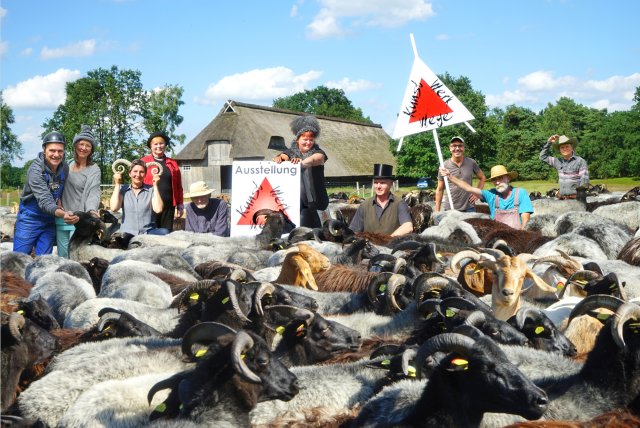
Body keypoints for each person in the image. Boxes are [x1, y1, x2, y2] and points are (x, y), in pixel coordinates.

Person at [14, 131, 77, 255]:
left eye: (60, 151)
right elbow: (45, 201)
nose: (56, 154)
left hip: (49, 220)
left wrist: (59, 200)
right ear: (44, 150)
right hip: (30, 219)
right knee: (18, 260)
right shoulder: (35, 171)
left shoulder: (64, 167)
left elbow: (60, 187)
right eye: (52, 150)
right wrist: (63, 214)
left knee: (44, 261)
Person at [272, 115, 329, 228]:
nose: (308, 142)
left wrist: (300, 163)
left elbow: (314, 159)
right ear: (297, 139)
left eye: (311, 139)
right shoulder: (290, 152)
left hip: (315, 203)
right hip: (293, 202)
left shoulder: (319, 152)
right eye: (305, 139)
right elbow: (285, 155)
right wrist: (280, 158)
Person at [56, 125, 102, 258]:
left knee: (75, 256)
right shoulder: (66, 165)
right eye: (81, 144)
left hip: (79, 220)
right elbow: (57, 187)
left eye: (88, 145)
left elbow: (93, 192)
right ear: (75, 146)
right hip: (62, 216)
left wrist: (92, 210)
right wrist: (57, 202)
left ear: (91, 149)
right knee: (62, 256)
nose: (84, 148)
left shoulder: (94, 169)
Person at [440, 164, 533, 229]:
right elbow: (469, 188)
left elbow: (526, 220)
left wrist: (521, 237)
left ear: (508, 178)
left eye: (500, 178)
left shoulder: (520, 193)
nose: (497, 182)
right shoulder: (491, 195)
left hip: (518, 235)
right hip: (497, 236)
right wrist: (450, 176)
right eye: (494, 180)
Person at [349, 164, 414, 236]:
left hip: (392, 246)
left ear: (391, 184)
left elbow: (408, 227)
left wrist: (388, 240)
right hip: (369, 246)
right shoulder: (364, 205)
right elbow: (354, 231)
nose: (378, 186)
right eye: (376, 183)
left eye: (382, 183)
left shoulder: (399, 203)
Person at [110, 159, 167, 236]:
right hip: (127, 233)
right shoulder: (122, 189)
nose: (138, 175)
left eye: (142, 172)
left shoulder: (151, 189)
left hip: (148, 232)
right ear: (130, 173)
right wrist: (117, 184)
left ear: (145, 174)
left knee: (165, 232)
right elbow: (114, 208)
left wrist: (155, 185)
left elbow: (158, 209)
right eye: (135, 171)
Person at [141, 132, 183, 231]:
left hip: (168, 206)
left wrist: (180, 204)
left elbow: (178, 186)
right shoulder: (144, 162)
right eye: (155, 144)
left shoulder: (172, 163)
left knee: (166, 233)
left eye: (161, 143)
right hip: (149, 205)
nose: (158, 146)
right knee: (149, 232)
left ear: (165, 145)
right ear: (150, 146)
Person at [435, 136, 486, 212]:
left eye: (460, 145)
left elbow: (482, 177)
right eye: (454, 146)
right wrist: (437, 210)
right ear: (450, 148)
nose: (457, 148)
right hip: (450, 208)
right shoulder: (444, 166)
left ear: (463, 148)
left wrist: (477, 193)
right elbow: (440, 189)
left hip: (469, 207)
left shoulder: (471, 162)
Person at [539, 134, 589, 199]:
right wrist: (549, 142)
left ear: (572, 148)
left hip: (576, 200)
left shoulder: (580, 161)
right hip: (562, 200)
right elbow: (542, 157)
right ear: (560, 150)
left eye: (567, 146)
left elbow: (584, 183)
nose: (565, 149)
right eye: (562, 147)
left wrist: (578, 197)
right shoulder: (557, 161)